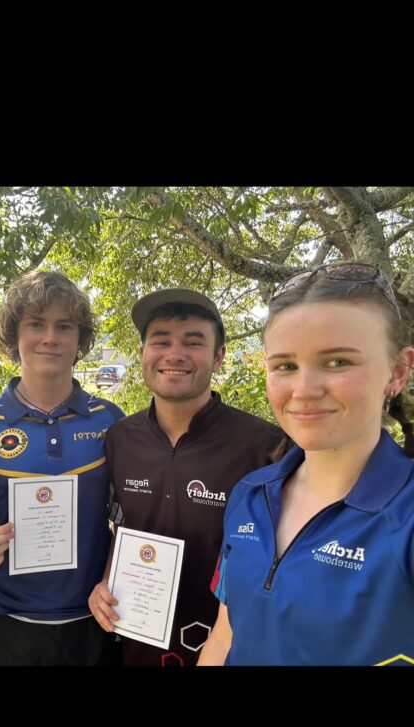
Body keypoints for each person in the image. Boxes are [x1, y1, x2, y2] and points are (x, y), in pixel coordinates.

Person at [198, 262, 414, 666]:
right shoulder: (250, 495)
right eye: (285, 366)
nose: (304, 390)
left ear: (397, 372)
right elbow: (226, 634)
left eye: (337, 362)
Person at [88, 288, 282, 666]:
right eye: (161, 341)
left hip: (227, 647)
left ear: (219, 356)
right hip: (133, 641)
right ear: (143, 353)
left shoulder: (266, 446)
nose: (174, 355)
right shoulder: (120, 439)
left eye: (193, 343)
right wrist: (106, 582)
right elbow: (121, 524)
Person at [0, 270, 124, 665]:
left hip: (96, 616)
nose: (50, 337)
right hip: (11, 620)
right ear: (15, 336)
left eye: (64, 326)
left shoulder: (109, 419)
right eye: (36, 324)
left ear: (80, 340)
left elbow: (126, 515)